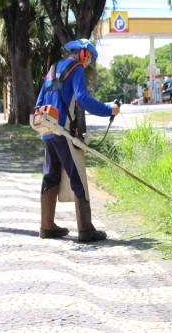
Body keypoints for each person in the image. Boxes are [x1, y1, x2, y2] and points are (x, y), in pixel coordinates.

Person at [35, 39, 120, 242]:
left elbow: (39, 103)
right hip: (63, 132)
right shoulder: (77, 69)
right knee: (78, 176)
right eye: (89, 57)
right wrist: (109, 109)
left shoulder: (53, 68)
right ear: (83, 54)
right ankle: (86, 229)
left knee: (51, 176)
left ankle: (46, 226)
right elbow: (82, 98)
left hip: (47, 130)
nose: (89, 61)